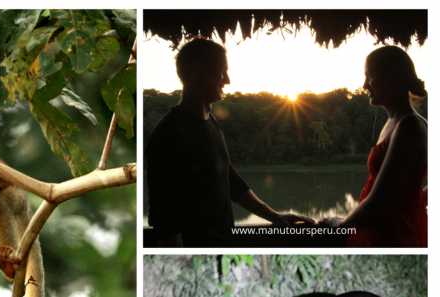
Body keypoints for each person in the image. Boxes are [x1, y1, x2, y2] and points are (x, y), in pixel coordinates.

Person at [146, 38, 313, 247]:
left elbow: (229, 179)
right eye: (221, 71)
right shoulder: (170, 133)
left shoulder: (211, 122)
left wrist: (273, 215)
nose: (228, 80)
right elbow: (164, 219)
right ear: (197, 70)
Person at [319, 45, 427, 247]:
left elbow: (376, 203)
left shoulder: (409, 127)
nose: (364, 85)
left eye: (369, 76)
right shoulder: (394, 123)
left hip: (394, 237)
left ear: (393, 76)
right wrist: (412, 199)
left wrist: (342, 223)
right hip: (378, 230)